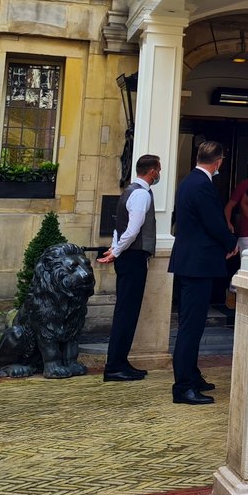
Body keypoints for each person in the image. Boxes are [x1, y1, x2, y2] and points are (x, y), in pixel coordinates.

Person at [168, 140, 233, 405]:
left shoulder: (188, 182)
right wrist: (231, 243)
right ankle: (183, 387)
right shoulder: (202, 185)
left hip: (190, 263)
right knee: (191, 328)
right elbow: (213, 223)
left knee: (191, 325)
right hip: (197, 265)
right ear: (217, 162)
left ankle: (192, 376)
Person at [97, 154, 162, 382]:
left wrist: (115, 249)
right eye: (158, 170)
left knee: (126, 311)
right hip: (133, 257)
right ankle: (115, 366)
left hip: (127, 256)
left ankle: (120, 362)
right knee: (127, 312)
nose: (159, 174)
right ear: (152, 171)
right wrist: (116, 251)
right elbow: (132, 229)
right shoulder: (141, 194)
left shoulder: (129, 191)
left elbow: (119, 227)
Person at [223, 178, 248, 309]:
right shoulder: (246, 184)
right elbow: (229, 206)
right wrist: (228, 223)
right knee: (247, 267)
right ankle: (232, 288)